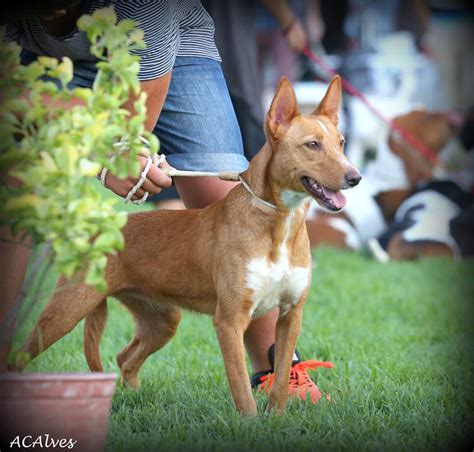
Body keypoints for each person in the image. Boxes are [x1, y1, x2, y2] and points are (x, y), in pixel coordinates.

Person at [0, 0, 326, 402]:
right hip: (40, 62)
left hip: (173, 51)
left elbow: (145, 91)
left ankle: (276, 367)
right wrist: (99, 162)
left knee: (223, 191)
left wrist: (126, 151)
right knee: (12, 185)